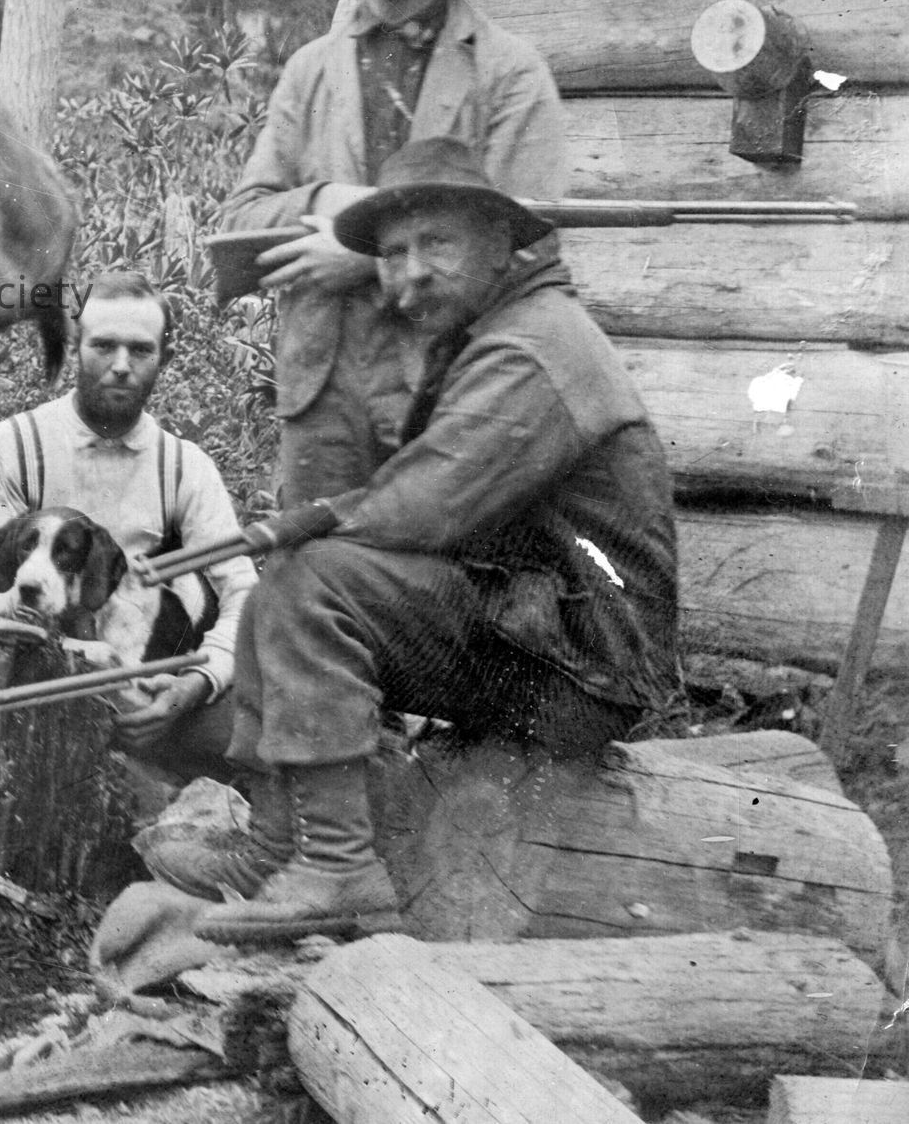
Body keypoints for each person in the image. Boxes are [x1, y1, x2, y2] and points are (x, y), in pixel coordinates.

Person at [199, 138, 679, 944]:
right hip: (541, 629)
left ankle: (341, 869)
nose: (410, 274)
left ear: (498, 244)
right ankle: (278, 846)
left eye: (436, 244)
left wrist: (311, 522)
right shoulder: (497, 330)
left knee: (310, 583)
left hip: (587, 660)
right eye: (392, 254)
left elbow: (425, 507)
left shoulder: (534, 345)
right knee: (281, 583)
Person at [218, 0, 568, 506]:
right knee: (316, 566)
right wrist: (327, 202)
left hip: (452, 385)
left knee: (435, 569)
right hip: (324, 394)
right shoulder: (311, 71)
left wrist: (366, 250)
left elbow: (530, 247)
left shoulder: (508, 73)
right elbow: (242, 219)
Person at [0, 276, 252, 783]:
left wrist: (200, 680)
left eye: (141, 350)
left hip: (153, 686)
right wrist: (70, 650)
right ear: (74, 345)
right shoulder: (12, 446)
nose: (121, 365)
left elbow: (243, 591)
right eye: (104, 345)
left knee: (260, 737)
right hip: (32, 679)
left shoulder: (185, 468)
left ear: (165, 357)